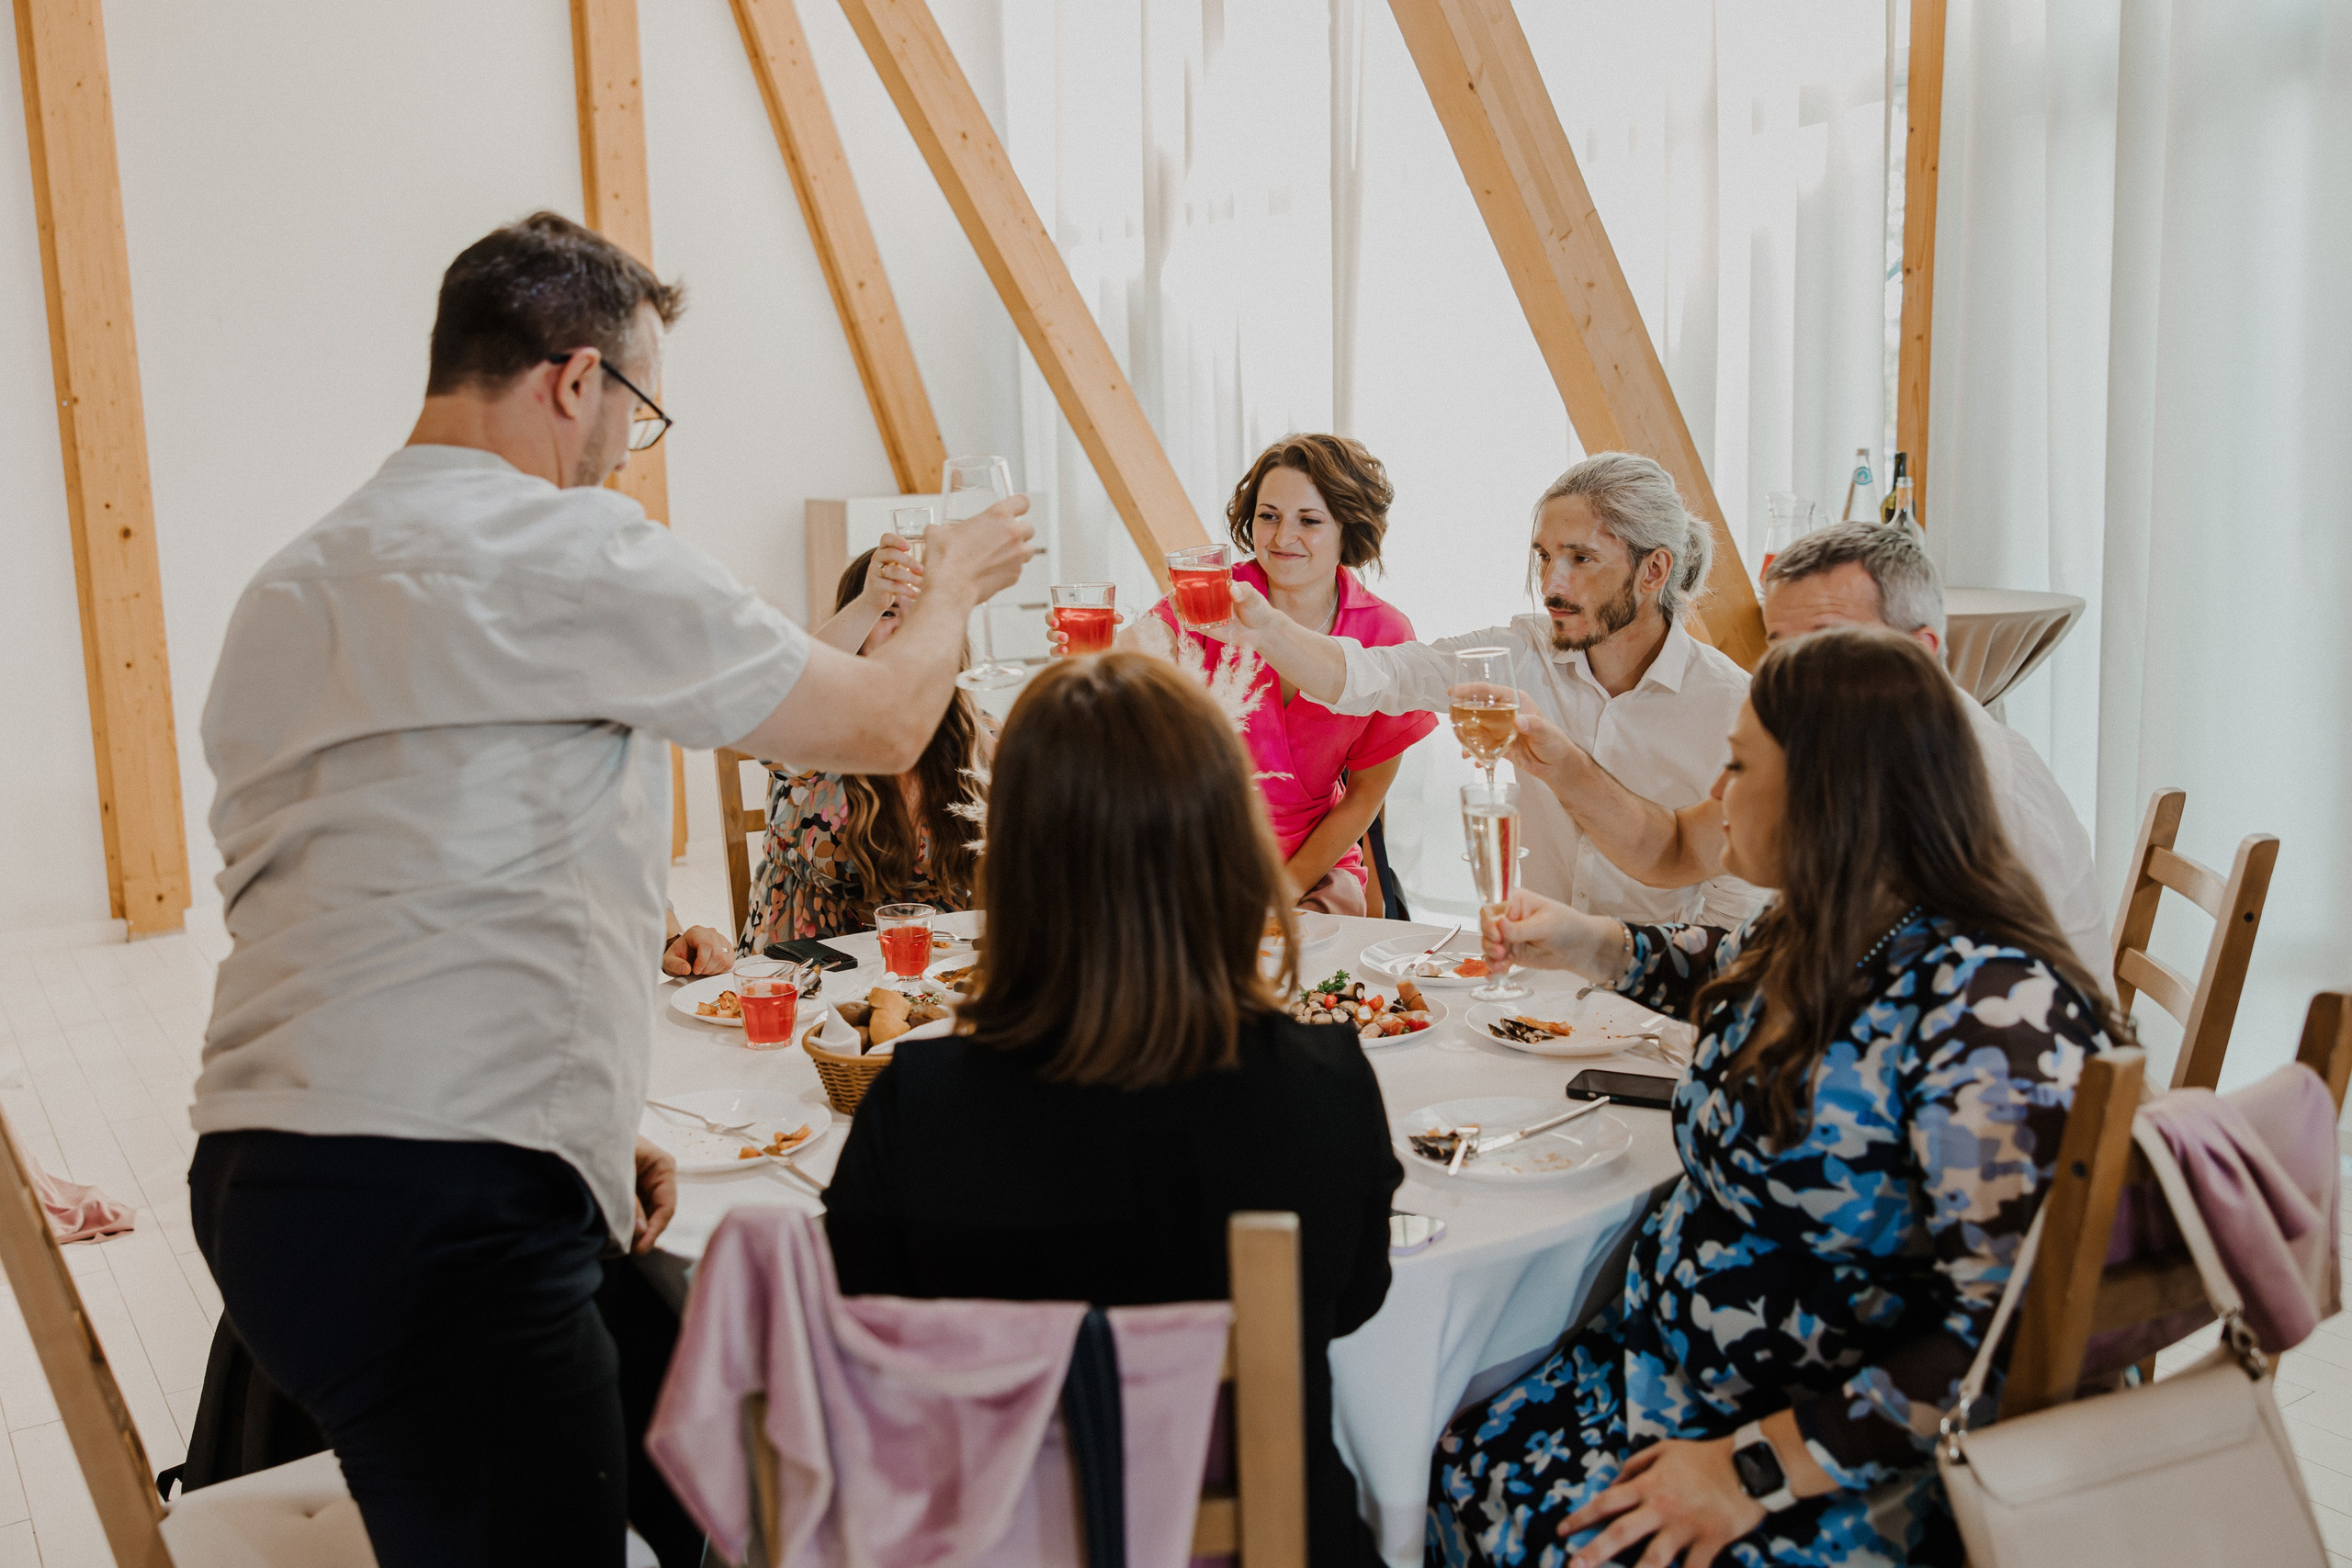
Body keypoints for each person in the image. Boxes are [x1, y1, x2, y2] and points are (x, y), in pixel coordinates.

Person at [188, 211, 1032, 1568]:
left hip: (266, 1180)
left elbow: (392, 895)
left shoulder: (288, 587)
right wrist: (962, 584)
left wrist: (584, 1118)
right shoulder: (576, 557)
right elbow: (882, 723)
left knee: (711, 1444)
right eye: (637, 413)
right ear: (575, 380)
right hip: (440, 1197)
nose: (624, 452)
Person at [1429, 627, 2124, 1568]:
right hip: (1671, 1380)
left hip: (1820, 1463)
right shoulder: (1830, 922)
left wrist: (1750, 1470)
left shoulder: (1991, 1014)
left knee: (1483, 1499)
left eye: (1734, 766)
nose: (1714, 797)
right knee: (1440, 1445)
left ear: (1827, 793)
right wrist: (1593, 942)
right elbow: (1722, 973)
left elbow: (2012, 1335)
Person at [823, 652, 1402, 1567]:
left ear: (1010, 855)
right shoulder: (1323, 1084)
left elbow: (865, 1350)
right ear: (1230, 840)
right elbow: (1353, 1301)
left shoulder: (916, 1108)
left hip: (998, 1540)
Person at [1499, 520, 2110, 987]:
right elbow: (1683, 849)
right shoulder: (1849, 750)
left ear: (1920, 654)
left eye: (1829, 643)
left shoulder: (1961, 796)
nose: (1794, 678)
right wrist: (1566, 768)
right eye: (1780, 647)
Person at [1227, 451, 1763, 924]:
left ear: (1654, 571)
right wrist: (1265, 627)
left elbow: (1734, 909)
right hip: (1531, 982)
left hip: (1659, 992)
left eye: (1581, 559)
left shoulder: (1731, 706)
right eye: (1545, 557)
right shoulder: (1520, 655)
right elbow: (1380, 676)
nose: (1552, 584)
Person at [1127, 434, 1433, 914]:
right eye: (1268, 516)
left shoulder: (1384, 633)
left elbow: (1363, 798)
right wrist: (1095, 652)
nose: (1282, 537)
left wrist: (1283, 892)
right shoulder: (1211, 600)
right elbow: (1134, 657)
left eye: (1308, 521)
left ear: (1346, 530)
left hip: (1314, 869)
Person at [738, 544, 986, 949]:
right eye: (886, 612)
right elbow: (785, 693)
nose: (905, 628)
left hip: (940, 955)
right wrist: (870, 600)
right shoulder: (815, 723)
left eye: (921, 613)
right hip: (812, 956)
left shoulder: (974, 729)